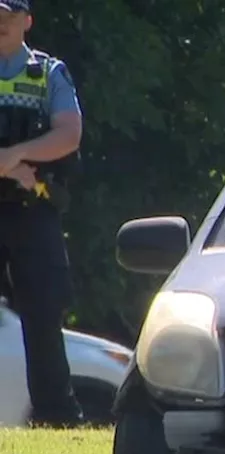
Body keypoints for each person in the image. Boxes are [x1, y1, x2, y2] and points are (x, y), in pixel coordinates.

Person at [0, 0, 84, 427]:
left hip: (33, 208)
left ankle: (56, 417)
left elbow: (69, 133)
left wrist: (16, 155)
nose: (2, 23)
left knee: (43, 312)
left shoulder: (48, 72)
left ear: (27, 21)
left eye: (10, 15)